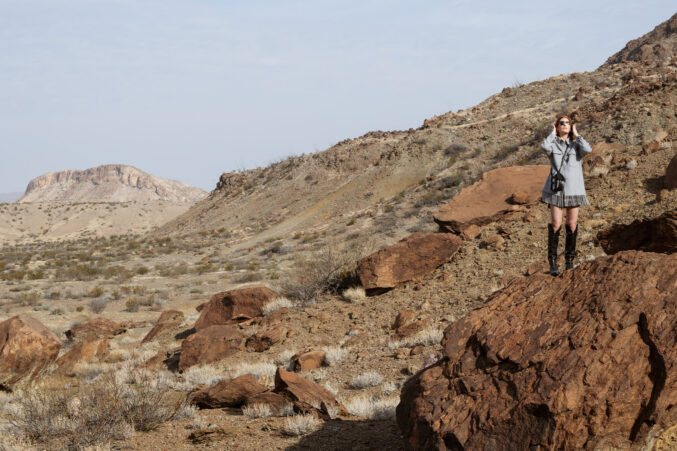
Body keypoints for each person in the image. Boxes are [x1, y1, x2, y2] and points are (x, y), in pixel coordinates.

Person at [541, 115, 592, 276]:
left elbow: (588, 150)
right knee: (556, 224)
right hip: (556, 190)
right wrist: (552, 133)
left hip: (574, 190)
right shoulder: (553, 143)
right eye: (561, 123)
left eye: (567, 123)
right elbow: (544, 147)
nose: (564, 125)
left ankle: (569, 261)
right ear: (557, 126)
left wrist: (576, 133)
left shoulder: (576, 145)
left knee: (572, 224)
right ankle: (553, 263)